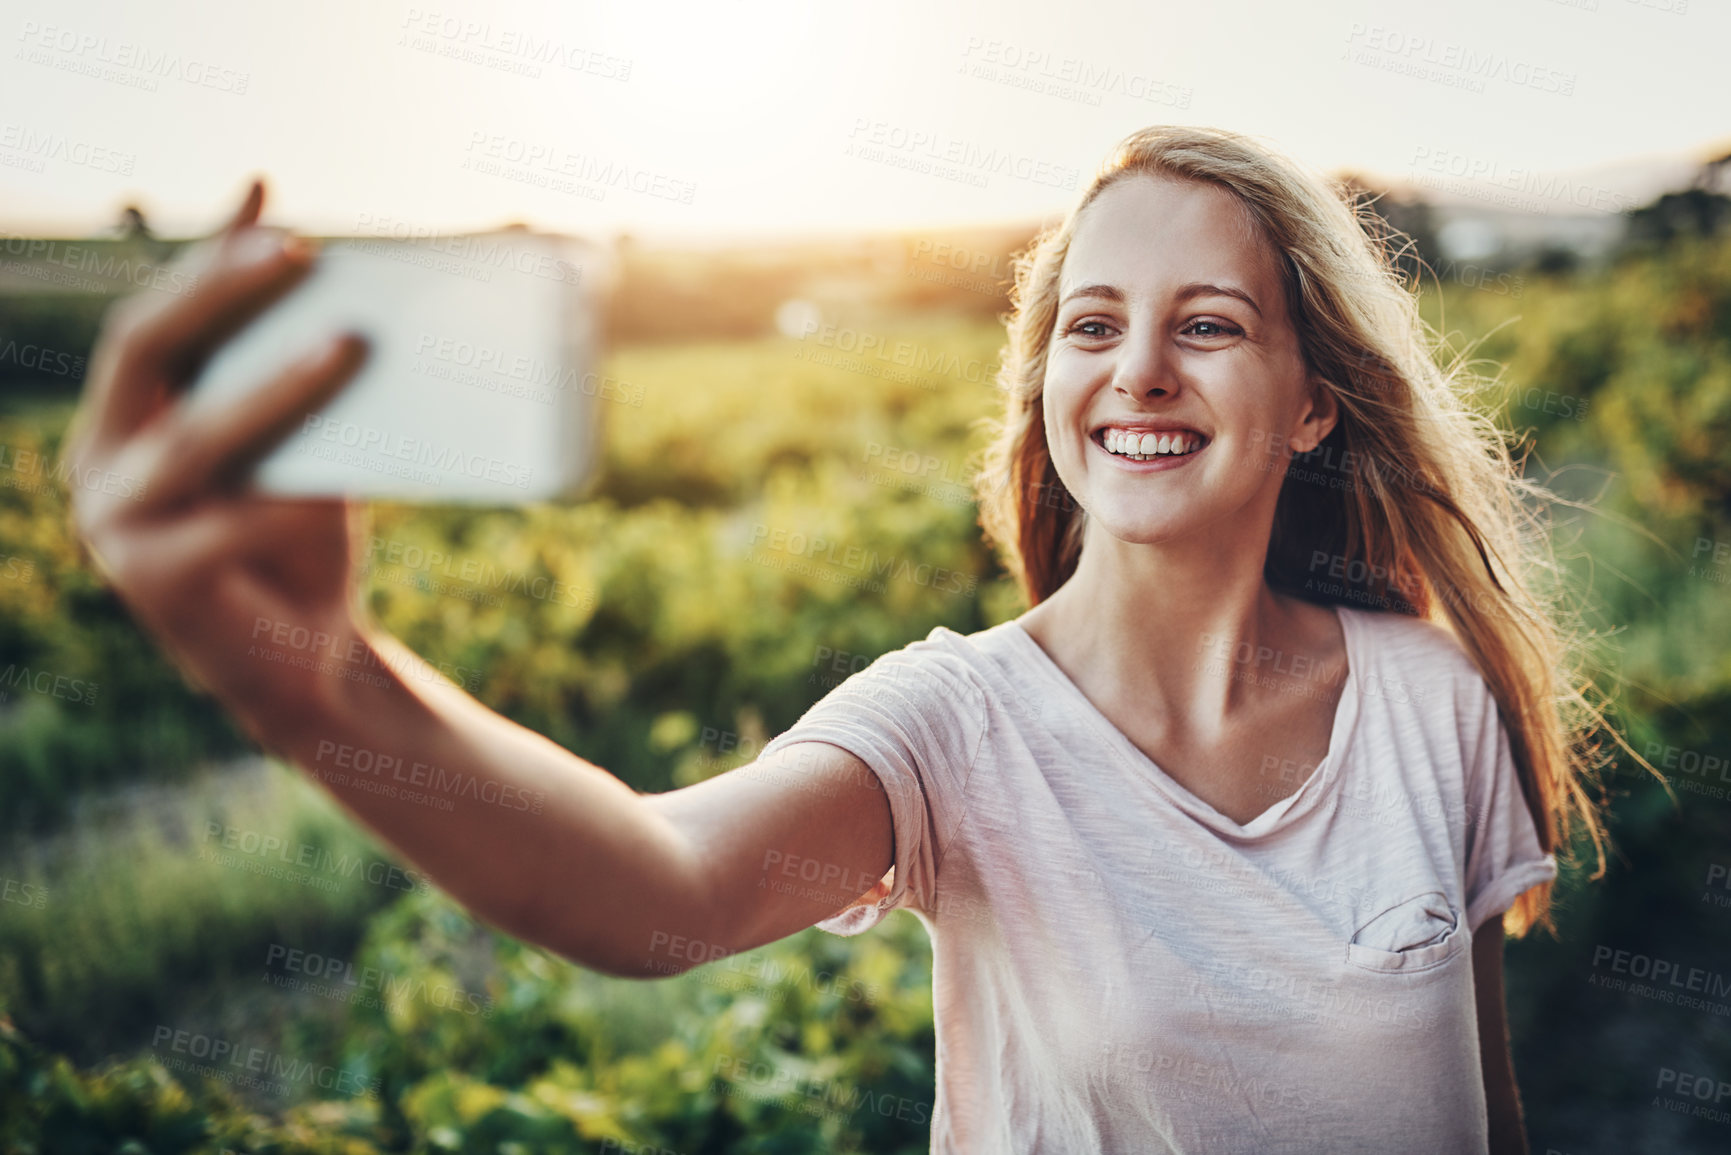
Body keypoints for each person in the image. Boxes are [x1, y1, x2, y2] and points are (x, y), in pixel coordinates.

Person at [60, 125, 1612, 1154]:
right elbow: (647, 894)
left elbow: (1491, 1110)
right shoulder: (953, 730)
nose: (1138, 368)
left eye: (1206, 323)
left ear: (1314, 400)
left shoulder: (1435, 698)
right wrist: (311, 677)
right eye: (1091, 322)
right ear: (1046, 384)